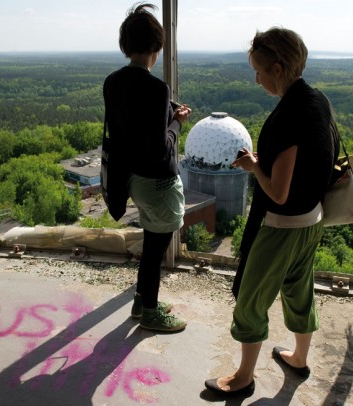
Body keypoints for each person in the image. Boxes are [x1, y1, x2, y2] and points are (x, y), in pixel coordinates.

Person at [205, 27, 339, 396]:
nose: (256, 78)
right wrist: (266, 165)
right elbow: (305, 164)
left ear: (278, 69)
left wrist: (252, 168)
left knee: (251, 301)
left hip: (281, 227)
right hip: (312, 221)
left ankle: (243, 378)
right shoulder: (317, 100)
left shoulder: (288, 117)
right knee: (299, 291)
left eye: (259, 70)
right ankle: (298, 357)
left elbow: (278, 193)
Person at [103, 3, 192, 333]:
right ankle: (151, 312)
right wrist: (178, 123)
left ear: (126, 45)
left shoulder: (112, 82)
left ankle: (142, 300)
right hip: (159, 184)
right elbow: (160, 148)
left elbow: (128, 118)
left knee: (151, 244)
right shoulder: (158, 89)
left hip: (132, 180)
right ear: (158, 46)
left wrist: (167, 112)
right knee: (155, 250)